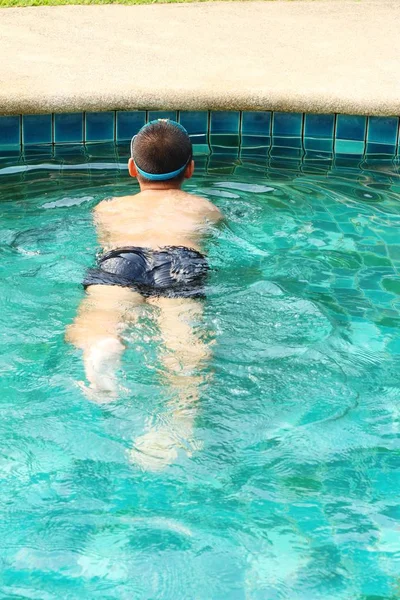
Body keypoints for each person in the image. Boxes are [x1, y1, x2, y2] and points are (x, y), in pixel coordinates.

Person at [66, 119, 222, 470]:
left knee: (100, 316)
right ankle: (177, 421)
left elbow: (103, 240)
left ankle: (102, 347)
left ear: (132, 168)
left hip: (123, 259)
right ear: (191, 169)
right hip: (179, 260)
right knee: (183, 340)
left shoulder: (107, 208)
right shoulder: (205, 208)